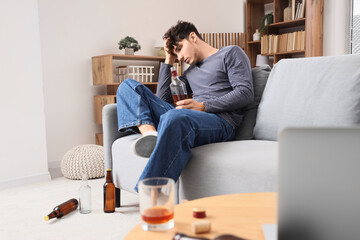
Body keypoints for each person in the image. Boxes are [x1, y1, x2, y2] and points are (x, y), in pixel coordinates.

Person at [116, 20, 254, 191]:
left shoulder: (231, 53)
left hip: (220, 121)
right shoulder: (190, 73)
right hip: (189, 117)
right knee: (127, 86)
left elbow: (245, 93)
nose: (180, 57)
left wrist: (203, 106)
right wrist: (169, 59)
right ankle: (151, 135)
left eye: (179, 48)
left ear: (193, 37)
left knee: (175, 116)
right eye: (176, 54)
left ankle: (151, 194)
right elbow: (163, 99)